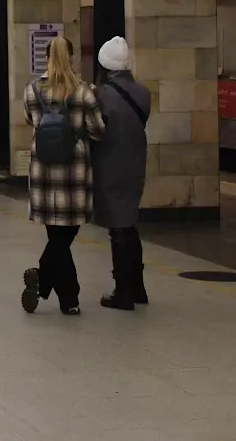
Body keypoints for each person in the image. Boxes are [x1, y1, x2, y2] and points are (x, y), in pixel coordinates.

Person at [21, 36, 104, 316]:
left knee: (56, 236)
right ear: (71, 58)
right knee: (64, 237)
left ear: (47, 59)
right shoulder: (83, 92)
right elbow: (98, 130)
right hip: (74, 173)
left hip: (43, 173)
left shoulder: (32, 90)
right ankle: (60, 293)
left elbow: (31, 120)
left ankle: (56, 289)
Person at [92, 36, 151, 310]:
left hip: (110, 165)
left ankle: (123, 291)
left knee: (118, 229)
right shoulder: (143, 93)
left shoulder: (101, 96)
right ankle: (138, 286)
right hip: (136, 164)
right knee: (129, 224)